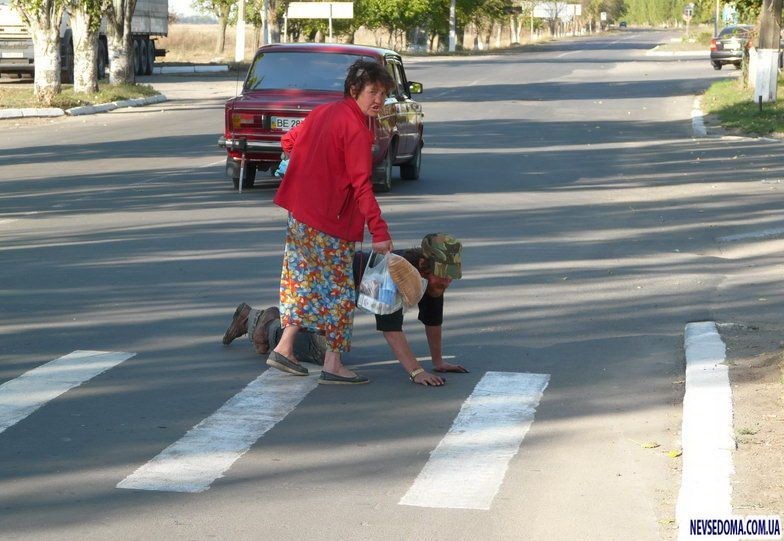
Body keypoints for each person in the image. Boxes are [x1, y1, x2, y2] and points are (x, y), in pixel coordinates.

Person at [266, 59, 394, 385]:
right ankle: (333, 363)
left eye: (383, 93)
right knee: (339, 292)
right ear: (354, 90)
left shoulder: (323, 112)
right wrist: (379, 231)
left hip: (300, 214)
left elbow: (288, 142)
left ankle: (284, 346)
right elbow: (362, 186)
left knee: (301, 282)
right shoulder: (356, 130)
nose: (378, 99)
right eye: (372, 92)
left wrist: (315, 163)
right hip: (329, 222)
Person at [222, 233, 467, 387]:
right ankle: (260, 321)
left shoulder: (431, 280)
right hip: (329, 287)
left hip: (341, 295)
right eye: (442, 277)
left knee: (324, 345)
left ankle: (273, 322)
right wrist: (416, 372)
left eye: (450, 278)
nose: (446, 283)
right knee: (317, 351)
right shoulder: (395, 275)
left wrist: (437, 361)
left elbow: (433, 319)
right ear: (424, 264)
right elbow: (391, 329)